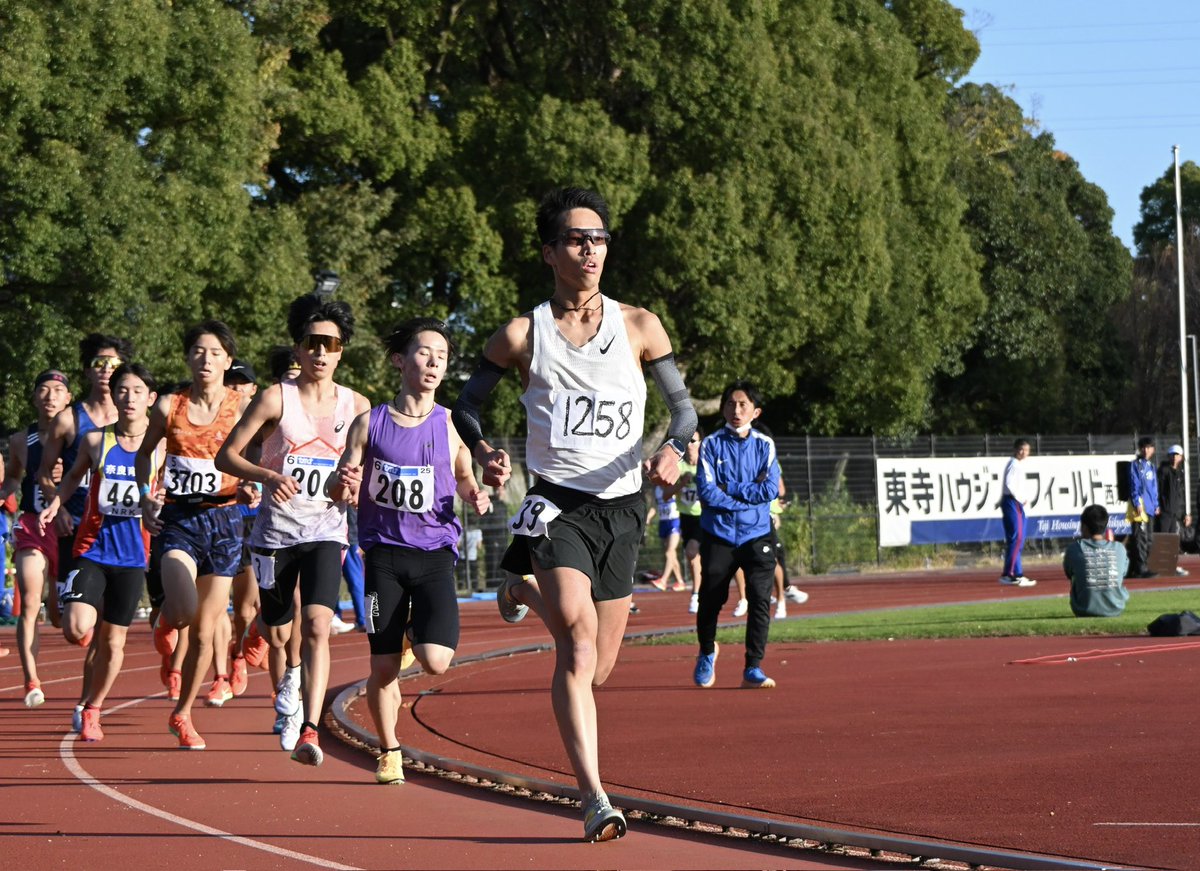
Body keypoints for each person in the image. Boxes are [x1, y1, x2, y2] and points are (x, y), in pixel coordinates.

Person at [451, 187, 696, 842]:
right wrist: (483, 450)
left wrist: (673, 449)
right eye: (578, 239)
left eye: (600, 238)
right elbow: (466, 406)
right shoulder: (521, 334)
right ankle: (593, 796)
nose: (592, 249)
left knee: (599, 667)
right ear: (550, 252)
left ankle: (521, 588)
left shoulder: (641, 325)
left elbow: (686, 412)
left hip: (621, 507)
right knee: (580, 645)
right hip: (552, 504)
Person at [333, 317, 489, 786]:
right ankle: (390, 750)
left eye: (441, 356)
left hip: (435, 555)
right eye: (424, 353)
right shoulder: (369, 423)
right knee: (381, 669)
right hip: (383, 557)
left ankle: (406, 640)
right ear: (401, 361)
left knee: (436, 659)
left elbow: (465, 476)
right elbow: (339, 483)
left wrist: (477, 494)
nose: (434, 362)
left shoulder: (450, 424)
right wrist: (343, 483)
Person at [217, 295, 370, 764]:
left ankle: (308, 727)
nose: (321, 352)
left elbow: (366, 471)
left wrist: (355, 483)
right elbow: (227, 456)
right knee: (280, 629)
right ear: (298, 348)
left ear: (342, 350)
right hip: (275, 534)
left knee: (318, 625)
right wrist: (268, 476)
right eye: (312, 342)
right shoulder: (273, 398)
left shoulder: (358, 405)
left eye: (331, 344)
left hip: (326, 530)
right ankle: (282, 671)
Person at [136, 320, 251, 750]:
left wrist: (252, 478)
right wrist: (146, 495)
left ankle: (182, 713)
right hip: (179, 519)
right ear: (188, 357)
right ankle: (165, 619)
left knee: (206, 633)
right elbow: (144, 454)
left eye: (215, 352)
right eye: (198, 351)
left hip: (224, 523)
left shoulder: (240, 406)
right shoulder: (169, 405)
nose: (205, 359)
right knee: (183, 612)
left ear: (228, 360)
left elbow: (258, 450)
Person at [37, 363, 162, 741]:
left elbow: (171, 486)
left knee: (115, 642)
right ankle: (90, 630)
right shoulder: (96, 441)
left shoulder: (161, 446)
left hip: (133, 557)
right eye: (122, 390)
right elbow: (73, 477)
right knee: (76, 628)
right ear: (114, 394)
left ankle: (93, 708)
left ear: (150, 399)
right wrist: (56, 504)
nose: (128, 397)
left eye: (137, 391)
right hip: (93, 548)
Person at [37, 335, 133, 627]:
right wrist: (60, 508)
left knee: (108, 624)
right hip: (77, 526)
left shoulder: (133, 418)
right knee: (69, 626)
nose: (105, 369)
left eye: (112, 363)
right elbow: (43, 472)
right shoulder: (69, 419)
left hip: (120, 527)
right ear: (88, 370)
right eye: (98, 363)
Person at [692, 380, 781, 690]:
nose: (736, 410)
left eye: (743, 405)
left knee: (759, 599)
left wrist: (730, 487)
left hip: (757, 534)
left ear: (755, 412)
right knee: (710, 599)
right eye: (730, 404)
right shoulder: (711, 444)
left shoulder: (765, 445)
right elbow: (707, 494)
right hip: (718, 534)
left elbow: (769, 491)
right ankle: (706, 651)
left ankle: (752, 667)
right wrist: (744, 494)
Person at [0, 370, 74, 706]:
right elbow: (13, 480)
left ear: (68, 399)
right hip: (34, 527)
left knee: (61, 618)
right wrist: (3, 493)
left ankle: (60, 609)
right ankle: (31, 679)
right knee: (30, 600)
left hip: (69, 530)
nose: (50, 396)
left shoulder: (81, 437)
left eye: (57, 390)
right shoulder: (20, 441)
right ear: (34, 397)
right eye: (43, 389)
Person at [1064, 505, 1130, 617]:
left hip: (1083, 610)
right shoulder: (1120, 549)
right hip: (1116, 608)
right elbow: (1123, 572)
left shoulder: (1074, 549)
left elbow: (1069, 573)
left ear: (1084, 527)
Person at [999, 438, 1037, 587]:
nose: (1024, 452)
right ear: (1015, 449)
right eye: (1021, 449)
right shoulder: (1014, 465)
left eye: (1026, 450)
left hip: (1016, 503)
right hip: (1012, 502)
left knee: (1017, 539)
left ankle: (1018, 573)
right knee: (1017, 538)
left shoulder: (1018, 465)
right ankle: (1008, 574)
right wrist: (1020, 498)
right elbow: (1009, 484)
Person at [1126, 436, 1159, 579]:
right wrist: (1137, 503)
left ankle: (1138, 566)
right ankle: (1141, 568)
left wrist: (1156, 504)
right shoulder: (1136, 465)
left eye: (1149, 447)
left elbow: (1154, 487)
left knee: (1149, 538)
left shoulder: (1151, 466)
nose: (1146, 450)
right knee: (1140, 538)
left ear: (1153, 449)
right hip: (1140, 508)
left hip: (1150, 508)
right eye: (1143, 447)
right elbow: (1134, 485)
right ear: (1140, 449)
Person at [1156, 444, 1189, 577]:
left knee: (1172, 540)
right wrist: (1157, 506)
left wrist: (1184, 514)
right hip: (1164, 511)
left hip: (1175, 512)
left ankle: (1170, 566)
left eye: (1177, 455)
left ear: (1181, 457)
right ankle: (1160, 566)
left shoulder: (1179, 473)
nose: (1175, 457)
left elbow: (1180, 494)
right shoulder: (1163, 471)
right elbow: (1157, 490)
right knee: (1163, 538)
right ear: (1169, 456)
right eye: (1173, 455)